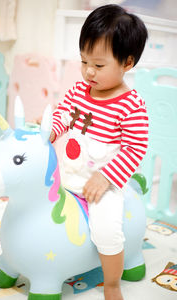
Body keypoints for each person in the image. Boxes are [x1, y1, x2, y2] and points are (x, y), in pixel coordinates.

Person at [40, 4, 149, 300]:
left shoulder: (131, 105)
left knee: (106, 229)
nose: (89, 71)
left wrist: (106, 178)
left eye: (99, 66)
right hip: (68, 170)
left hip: (102, 182)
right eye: (83, 61)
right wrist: (50, 130)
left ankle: (112, 282)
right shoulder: (79, 90)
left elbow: (135, 147)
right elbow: (64, 115)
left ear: (127, 63)